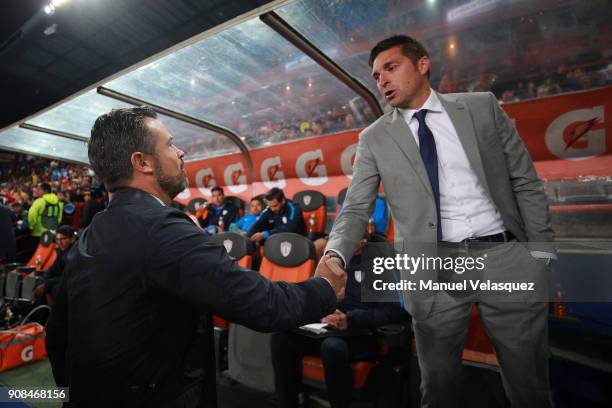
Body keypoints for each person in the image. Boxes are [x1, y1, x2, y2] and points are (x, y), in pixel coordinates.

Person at [45, 107, 347, 407]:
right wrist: (324, 287)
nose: (180, 153)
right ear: (142, 162)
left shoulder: (89, 233)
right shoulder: (162, 229)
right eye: (170, 144)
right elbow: (263, 304)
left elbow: (57, 336)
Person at [321, 35, 555, 408]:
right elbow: (355, 208)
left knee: (530, 388)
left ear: (423, 64)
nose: (381, 80)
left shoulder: (482, 108)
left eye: (391, 68)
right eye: (377, 75)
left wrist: (540, 252)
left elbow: (524, 180)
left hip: (505, 256)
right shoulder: (374, 138)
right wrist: (334, 255)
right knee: (438, 390)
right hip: (432, 268)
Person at [271, 232, 409, 408]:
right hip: (327, 328)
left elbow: (396, 310)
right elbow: (315, 297)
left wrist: (350, 319)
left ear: (363, 241)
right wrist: (326, 307)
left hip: (360, 333)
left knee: (332, 347)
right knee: (282, 339)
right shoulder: (332, 264)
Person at [33, 225, 77, 303]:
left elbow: (66, 276)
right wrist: (41, 282)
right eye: (57, 239)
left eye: (63, 239)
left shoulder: (75, 254)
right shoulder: (62, 251)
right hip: (61, 282)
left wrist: (46, 285)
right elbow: (53, 269)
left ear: (72, 239)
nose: (59, 243)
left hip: (72, 285)